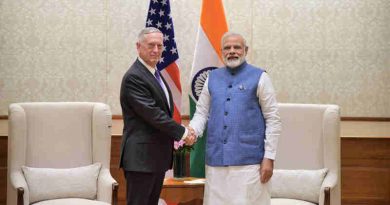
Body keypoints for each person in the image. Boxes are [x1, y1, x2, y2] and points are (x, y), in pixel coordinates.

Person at [189, 32, 282, 205]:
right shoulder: (212, 77)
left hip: (250, 165)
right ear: (221, 51)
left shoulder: (260, 77)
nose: (232, 51)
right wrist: (192, 131)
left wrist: (269, 157)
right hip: (216, 164)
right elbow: (201, 113)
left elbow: (273, 119)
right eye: (227, 48)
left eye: (237, 47)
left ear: (245, 50)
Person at [119, 27, 195, 205]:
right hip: (141, 159)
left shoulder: (154, 74)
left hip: (154, 158)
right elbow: (153, 114)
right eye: (150, 45)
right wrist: (184, 133)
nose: (155, 50)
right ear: (138, 46)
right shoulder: (134, 77)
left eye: (159, 46)